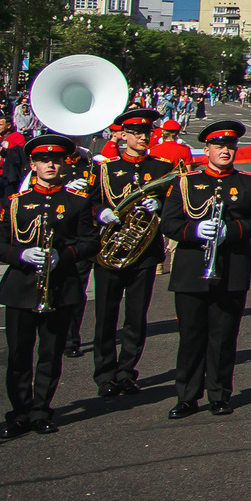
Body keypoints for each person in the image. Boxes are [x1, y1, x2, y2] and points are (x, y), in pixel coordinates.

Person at [0, 134, 96, 435]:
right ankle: (20, 411)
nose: (51, 164)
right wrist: (20, 254)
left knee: (50, 355)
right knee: (19, 355)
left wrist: (62, 255)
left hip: (59, 288)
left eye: (56, 160)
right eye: (44, 160)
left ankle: (41, 410)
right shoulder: (16, 203)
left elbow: (90, 243)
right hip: (21, 289)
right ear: (33, 164)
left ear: (64, 164)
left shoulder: (77, 202)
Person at [160, 121, 251, 418]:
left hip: (231, 270)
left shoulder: (250, 183)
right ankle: (186, 396)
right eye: (219, 146)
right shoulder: (185, 182)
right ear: (205, 149)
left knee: (223, 336)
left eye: (230, 147)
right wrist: (195, 231)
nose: (225, 151)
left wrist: (230, 230)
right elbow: (168, 223)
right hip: (191, 270)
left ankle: (220, 394)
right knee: (191, 336)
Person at [88, 105, 171, 398]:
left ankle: (126, 372)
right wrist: (102, 214)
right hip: (111, 250)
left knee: (136, 317)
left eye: (146, 133)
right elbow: (91, 203)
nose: (143, 138)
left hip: (145, 252)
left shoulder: (161, 168)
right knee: (106, 315)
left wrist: (161, 205)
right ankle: (105, 374)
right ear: (123, 135)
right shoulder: (106, 168)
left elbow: (175, 204)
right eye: (136, 133)